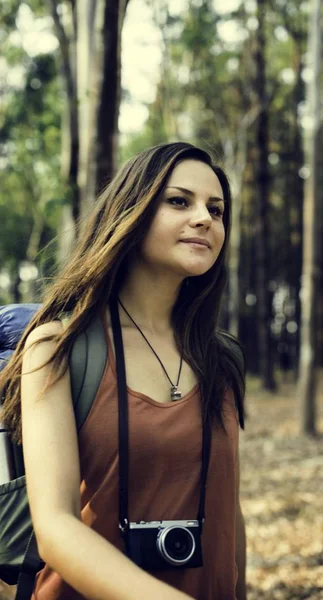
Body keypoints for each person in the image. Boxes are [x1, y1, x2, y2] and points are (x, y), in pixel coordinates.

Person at [0, 142, 247, 600]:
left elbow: (227, 510)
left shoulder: (222, 358)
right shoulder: (58, 347)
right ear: (129, 214)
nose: (205, 219)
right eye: (179, 201)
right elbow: (54, 525)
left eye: (217, 210)